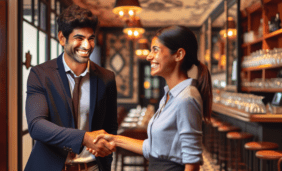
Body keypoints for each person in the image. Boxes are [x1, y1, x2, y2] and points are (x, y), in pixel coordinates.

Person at [87, 25, 212, 171]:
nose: (148, 56)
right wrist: (114, 139)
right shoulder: (169, 95)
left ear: (178, 55)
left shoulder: (186, 98)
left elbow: (192, 162)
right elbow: (153, 148)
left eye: (156, 50)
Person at [24, 4, 118, 171]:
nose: (87, 45)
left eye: (91, 38)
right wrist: (84, 138)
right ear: (62, 38)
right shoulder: (40, 74)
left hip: (93, 167)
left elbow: (110, 129)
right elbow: (36, 126)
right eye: (79, 38)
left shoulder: (107, 78)